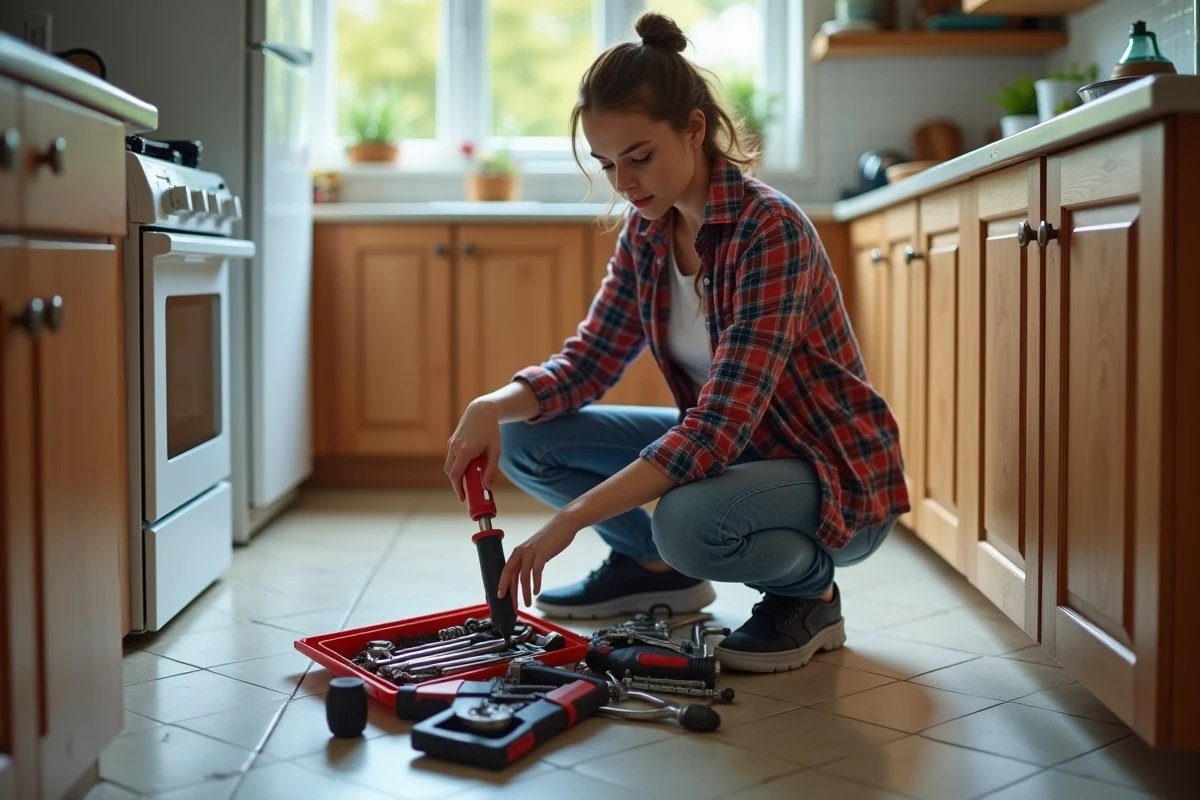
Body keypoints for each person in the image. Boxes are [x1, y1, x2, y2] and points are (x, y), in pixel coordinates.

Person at [443, 12, 910, 673]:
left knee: (687, 521)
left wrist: (571, 518)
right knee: (524, 437)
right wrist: (491, 404)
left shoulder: (768, 231)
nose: (625, 183)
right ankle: (654, 570)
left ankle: (810, 592)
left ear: (695, 128)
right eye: (608, 165)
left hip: (833, 473)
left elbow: (717, 427)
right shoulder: (648, 232)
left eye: (639, 157)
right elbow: (586, 363)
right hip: (740, 454)